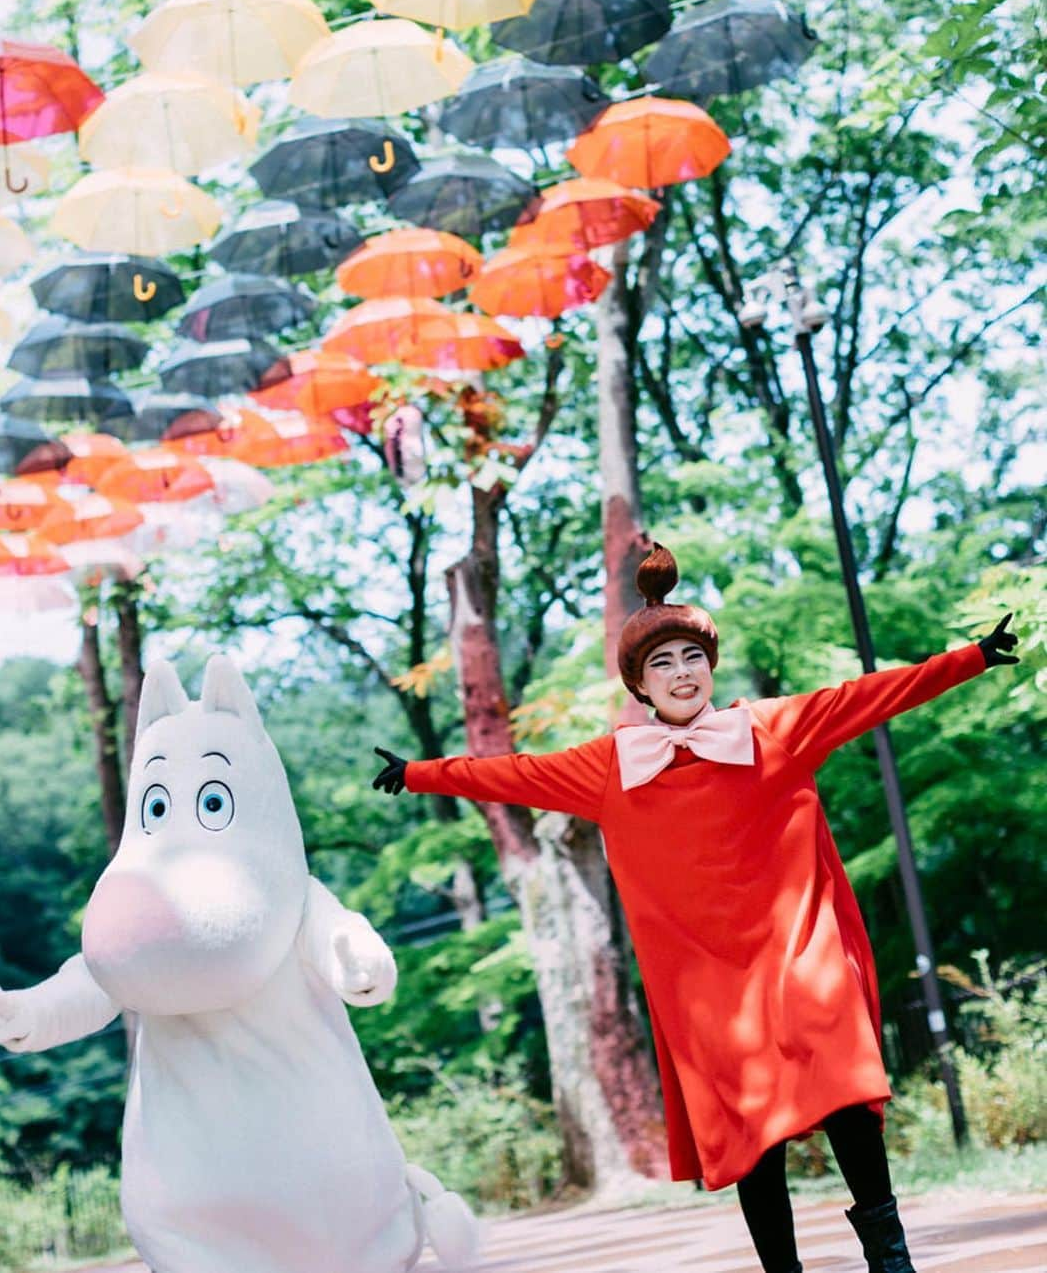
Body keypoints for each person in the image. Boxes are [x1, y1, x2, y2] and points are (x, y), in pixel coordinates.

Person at [372, 543, 1018, 1273]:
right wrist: (419, 773)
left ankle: (890, 1258)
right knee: (752, 1136)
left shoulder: (771, 727)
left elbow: (868, 695)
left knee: (844, 1088)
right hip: (708, 985)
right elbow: (511, 773)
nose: (681, 673)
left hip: (796, 952)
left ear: (710, 666)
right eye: (662, 664)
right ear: (642, 686)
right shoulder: (610, 764)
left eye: (691, 658)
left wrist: (970, 657)